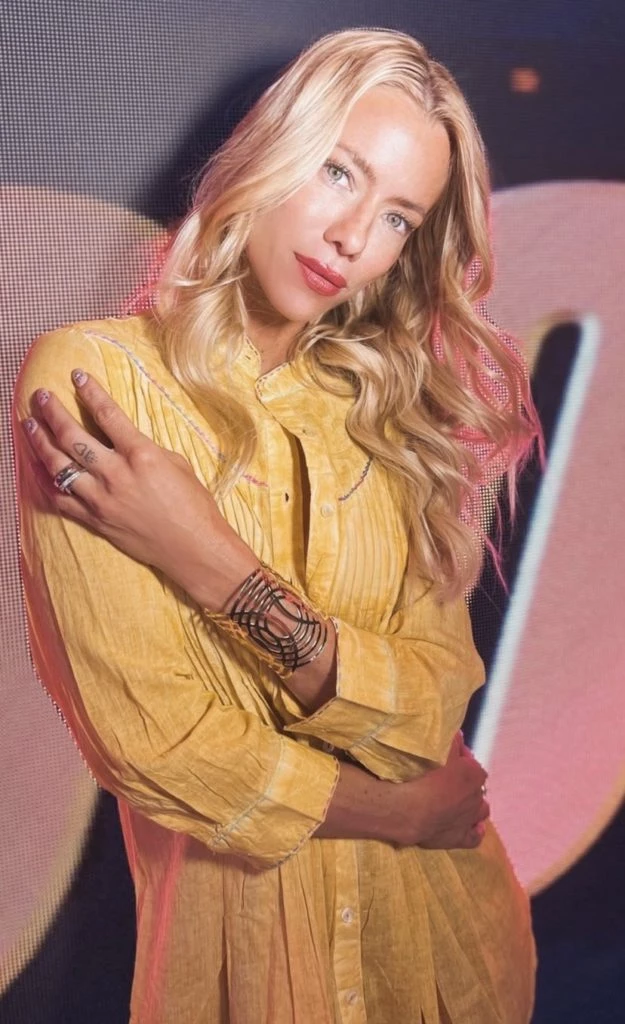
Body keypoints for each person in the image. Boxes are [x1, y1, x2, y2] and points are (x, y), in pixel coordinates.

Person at [14, 27, 539, 1024]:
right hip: (243, 982)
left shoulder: (393, 417)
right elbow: (158, 744)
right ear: (273, 146)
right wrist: (397, 809)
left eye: (397, 217)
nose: (353, 237)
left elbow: (428, 710)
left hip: (447, 961)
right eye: (339, 172)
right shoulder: (97, 383)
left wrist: (211, 563)